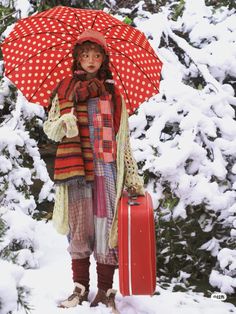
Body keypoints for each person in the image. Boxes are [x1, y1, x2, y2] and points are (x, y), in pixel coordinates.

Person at [43, 29, 144, 311]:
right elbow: (50, 130)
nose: (91, 60)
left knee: (105, 231)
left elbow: (123, 139)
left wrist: (133, 177)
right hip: (76, 171)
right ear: (77, 57)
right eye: (85, 55)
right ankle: (79, 288)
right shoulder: (65, 90)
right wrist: (64, 123)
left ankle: (105, 290)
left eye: (96, 55)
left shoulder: (113, 94)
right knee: (79, 229)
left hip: (107, 170)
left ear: (104, 59)